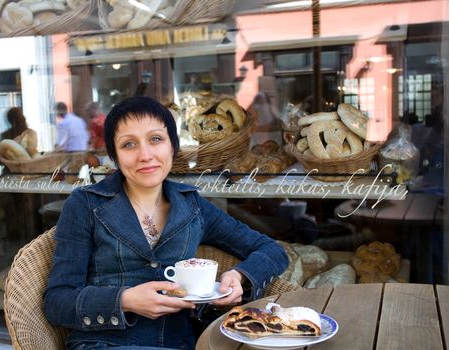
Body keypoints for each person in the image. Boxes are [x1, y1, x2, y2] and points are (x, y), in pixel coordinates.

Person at [44, 96, 288, 350]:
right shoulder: (86, 205)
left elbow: (272, 251)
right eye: (129, 144)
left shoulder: (192, 206)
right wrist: (124, 300)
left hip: (181, 342)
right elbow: (57, 302)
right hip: (104, 343)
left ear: (172, 146)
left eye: (156, 139)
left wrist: (239, 276)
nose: (145, 155)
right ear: (114, 156)